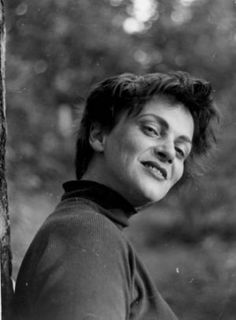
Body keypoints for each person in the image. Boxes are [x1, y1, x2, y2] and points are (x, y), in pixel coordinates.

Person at [11, 71, 219, 320]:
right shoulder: (87, 232)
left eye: (181, 149)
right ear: (99, 135)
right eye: (152, 130)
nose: (169, 153)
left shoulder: (90, 229)